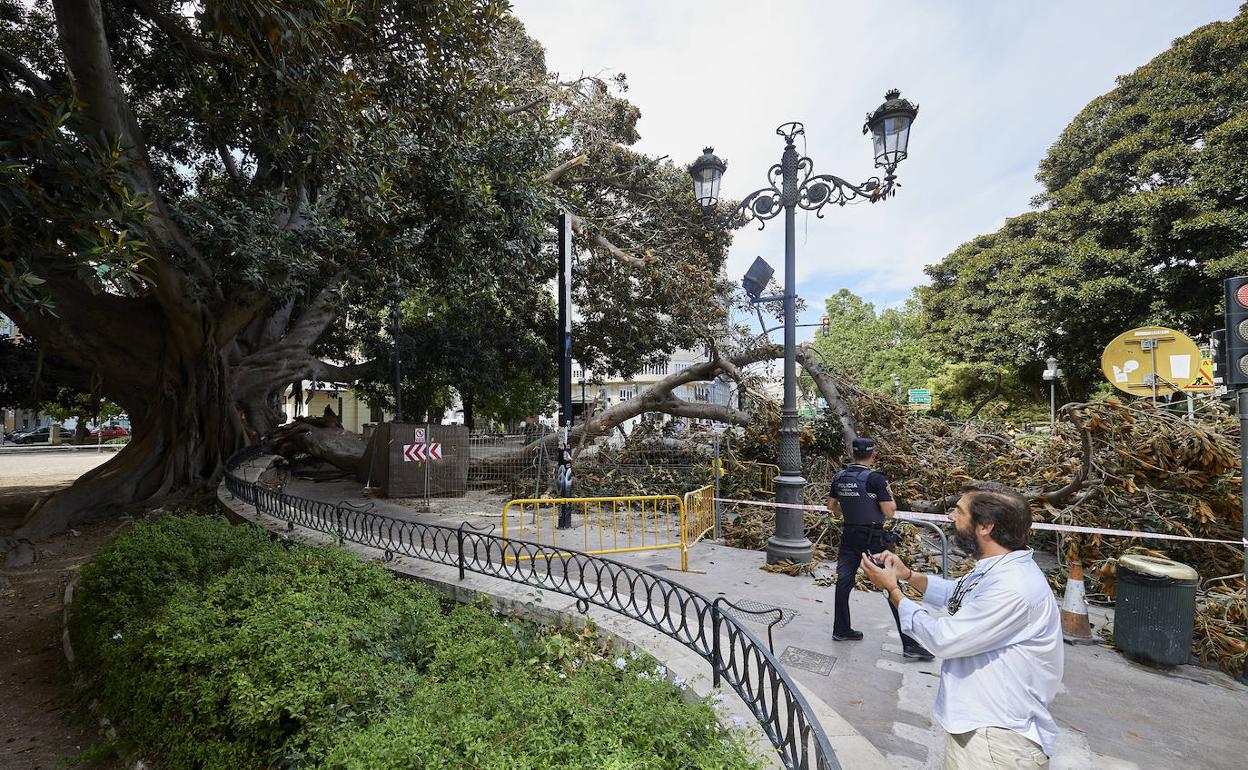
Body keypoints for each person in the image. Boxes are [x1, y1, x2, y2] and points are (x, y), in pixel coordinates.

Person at [860, 482, 1064, 769]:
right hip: (982, 729)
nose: (951, 518)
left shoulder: (1012, 588)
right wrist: (907, 575)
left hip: (995, 740)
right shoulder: (998, 568)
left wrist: (893, 592)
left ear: (985, 527)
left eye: (959, 512)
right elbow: (957, 593)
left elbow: (944, 639)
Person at [826, 436, 933, 660]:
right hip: (873, 538)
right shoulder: (875, 478)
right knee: (890, 585)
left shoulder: (840, 476)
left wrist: (853, 510)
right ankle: (910, 643)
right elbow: (889, 511)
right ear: (873, 455)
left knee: (844, 581)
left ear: (852, 454)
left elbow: (832, 507)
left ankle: (841, 629)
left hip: (849, 535)